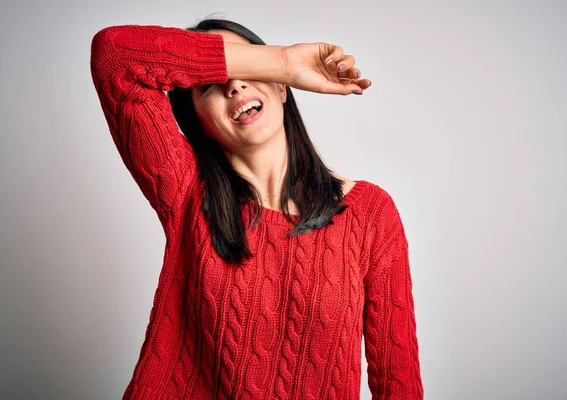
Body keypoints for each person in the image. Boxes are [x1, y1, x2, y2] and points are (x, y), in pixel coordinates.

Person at [90, 18, 423, 400]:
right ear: (199, 120)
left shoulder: (370, 214)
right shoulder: (185, 189)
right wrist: (280, 60)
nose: (235, 84)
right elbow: (113, 55)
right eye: (211, 83)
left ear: (282, 89)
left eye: (247, 67)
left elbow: (399, 384)